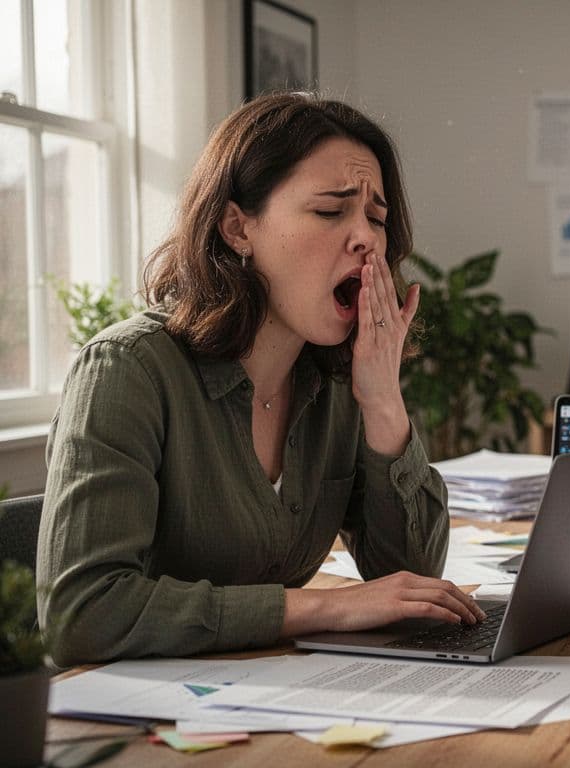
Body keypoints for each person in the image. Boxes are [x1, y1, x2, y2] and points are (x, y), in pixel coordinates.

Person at [38, 93, 484, 667]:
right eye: (331, 211)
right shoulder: (126, 371)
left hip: (269, 698)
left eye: (376, 218)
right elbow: (81, 615)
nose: (366, 239)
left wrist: (383, 399)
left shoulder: (337, 383)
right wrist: (324, 608)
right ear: (236, 229)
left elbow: (415, 583)